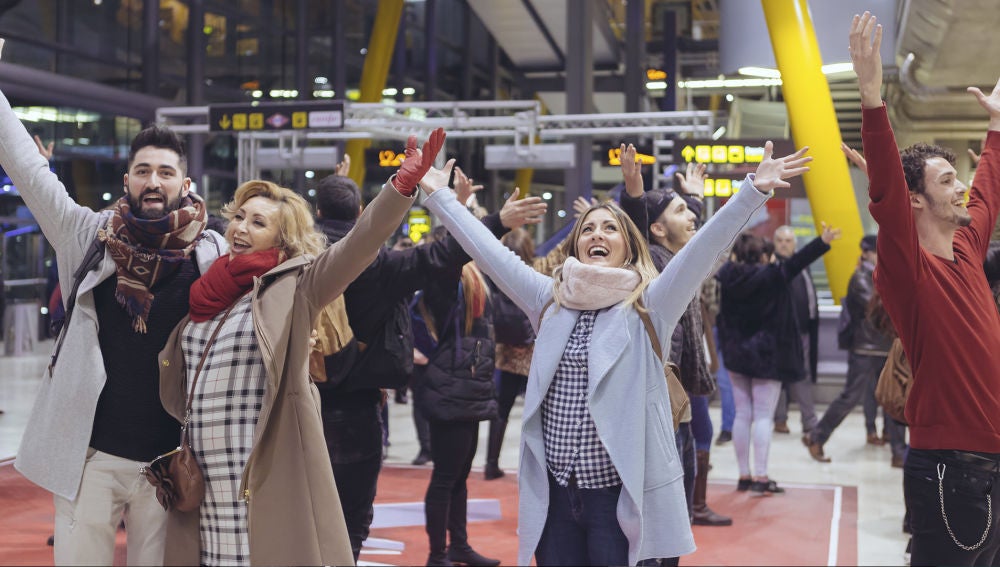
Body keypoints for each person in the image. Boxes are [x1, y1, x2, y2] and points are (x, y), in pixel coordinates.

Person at [417, 141, 810, 565]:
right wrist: (439, 198)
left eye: (609, 229)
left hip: (615, 500)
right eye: (587, 229)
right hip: (555, 497)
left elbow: (702, 251)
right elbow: (489, 252)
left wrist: (753, 191)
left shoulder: (651, 303)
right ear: (576, 245)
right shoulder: (547, 298)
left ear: (629, 245)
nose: (596, 235)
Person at [157, 129, 444, 566]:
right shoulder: (205, 290)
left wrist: (400, 188)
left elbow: (358, 246)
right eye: (239, 216)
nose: (241, 228)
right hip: (201, 472)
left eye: (258, 223)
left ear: (281, 239)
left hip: (261, 471)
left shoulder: (296, 285)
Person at [3, 83, 227, 567]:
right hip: (90, 458)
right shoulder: (86, 235)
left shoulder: (213, 253)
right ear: (126, 180)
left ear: (185, 184)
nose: (154, 181)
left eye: (166, 172)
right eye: (143, 171)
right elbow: (25, 166)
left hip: (169, 463)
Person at [313, 162, 545, 560]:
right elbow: (446, 253)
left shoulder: (294, 258)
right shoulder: (381, 264)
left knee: (303, 515)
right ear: (360, 212)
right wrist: (496, 220)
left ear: (315, 213)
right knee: (351, 524)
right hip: (360, 405)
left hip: (302, 402)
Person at [851, 11, 1000, 565]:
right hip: (949, 467)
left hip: (992, 462)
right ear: (917, 200)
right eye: (946, 181)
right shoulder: (908, 269)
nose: (960, 187)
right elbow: (889, 193)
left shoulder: (967, 246)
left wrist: (998, 125)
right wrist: (871, 97)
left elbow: (988, 184)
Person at [619, 149, 731, 528]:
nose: (693, 217)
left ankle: (691, 511)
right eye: (682, 211)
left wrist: (693, 198)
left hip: (677, 396)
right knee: (662, 516)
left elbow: (690, 239)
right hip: (659, 400)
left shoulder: (674, 258)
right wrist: (633, 195)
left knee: (674, 513)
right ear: (657, 229)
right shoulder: (650, 264)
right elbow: (640, 234)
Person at [717, 223, 838, 496]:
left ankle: (743, 476)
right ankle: (761, 477)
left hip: (736, 354)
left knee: (742, 414)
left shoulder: (727, 277)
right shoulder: (773, 275)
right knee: (762, 416)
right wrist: (822, 241)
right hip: (767, 357)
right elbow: (798, 261)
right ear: (762, 257)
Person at [413, 257, 501, 567]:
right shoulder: (450, 278)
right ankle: (437, 554)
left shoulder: (475, 279)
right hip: (451, 389)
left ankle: (458, 546)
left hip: (467, 387)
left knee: (458, 476)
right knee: (446, 477)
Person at [804, 234, 895, 462]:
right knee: (850, 397)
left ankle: (897, 449)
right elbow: (877, 306)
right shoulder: (861, 277)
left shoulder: (880, 275)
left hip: (883, 346)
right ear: (865, 253)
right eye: (876, 252)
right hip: (865, 348)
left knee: (890, 397)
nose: (879, 257)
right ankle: (817, 436)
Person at [484, 227, 537, 481]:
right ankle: (537, 469)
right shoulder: (536, 273)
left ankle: (491, 463)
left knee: (501, 409)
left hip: (504, 353)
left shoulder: (497, 277)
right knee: (540, 412)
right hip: (532, 354)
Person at [771, 225, 820, 435]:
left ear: (794, 244)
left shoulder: (802, 266)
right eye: (780, 240)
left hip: (804, 330)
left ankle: (807, 421)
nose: (783, 244)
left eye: (788, 240)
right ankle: (783, 419)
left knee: (803, 375)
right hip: (780, 332)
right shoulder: (774, 268)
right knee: (782, 376)